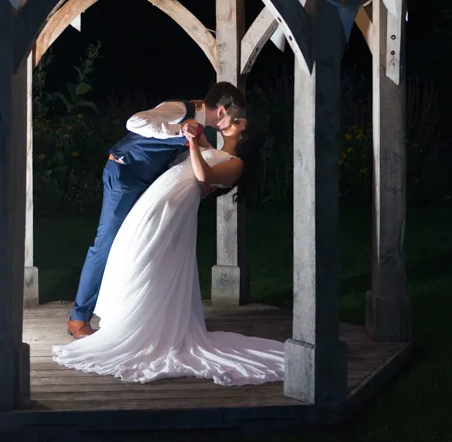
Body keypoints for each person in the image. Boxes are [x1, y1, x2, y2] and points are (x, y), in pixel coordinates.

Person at [53, 114, 285, 386]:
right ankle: (128, 320)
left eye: (236, 123)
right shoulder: (215, 151)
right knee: (132, 256)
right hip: (157, 201)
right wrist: (193, 131)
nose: (230, 121)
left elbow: (203, 174)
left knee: (150, 260)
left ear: (243, 138)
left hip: (171, 211)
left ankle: (145, 329)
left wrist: (194, 145)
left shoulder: (236, 164)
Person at [66, 82, 246, 339]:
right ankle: (78, 318)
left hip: (147, 183)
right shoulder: (178, 110)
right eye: (234, 115)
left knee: (134, 244)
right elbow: (135, 122)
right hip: (124, 176)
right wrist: (179, 130)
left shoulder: (199, 128)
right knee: (105, 244)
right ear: (222, 111)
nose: (233, 120)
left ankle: (128, 313)